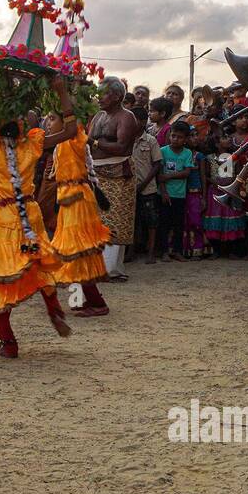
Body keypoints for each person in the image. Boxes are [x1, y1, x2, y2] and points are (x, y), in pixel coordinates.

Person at [0, 61, 77, 357]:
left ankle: (8, 343)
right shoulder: (32, 143)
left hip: (4, 218)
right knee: (36, 264)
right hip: (28, 214)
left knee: (0, 277)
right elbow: (71, 129)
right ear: (22, 121)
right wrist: (60, 92)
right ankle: (53, 307)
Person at [47, 77, 111, 317]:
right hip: (68, 198)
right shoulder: (59, 144)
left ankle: (96, 302)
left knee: (78, 250)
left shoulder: (74, 138)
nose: (47, 122)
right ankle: (85, 300)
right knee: (73, 252)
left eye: (52, 118)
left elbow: (73, 119)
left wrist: (63, 92)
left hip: (78, 198)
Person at [88, 77, 139, 280]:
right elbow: (88, 142)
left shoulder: (127, 117)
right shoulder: (99, 116)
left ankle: (112, 270)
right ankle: (98, 266)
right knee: (97, 220)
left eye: (104, 93)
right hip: (96, 173)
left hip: (119, 172)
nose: (99, 98)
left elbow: (121, 147)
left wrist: (95, 143)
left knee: (116, 220)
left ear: (117, 96)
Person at [132, 100, 165, 263]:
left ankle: (150, 252)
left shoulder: (151, 140)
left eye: (135, 120)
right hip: (130, 188)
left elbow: (157, 164)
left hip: (148, 188)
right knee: (132, 221)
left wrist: (144, 183)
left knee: (151, 222)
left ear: (143, 122)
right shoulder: (126, 139)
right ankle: (131, 252)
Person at [156, 121, 194, 260]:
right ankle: (164, 251)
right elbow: (159, 176)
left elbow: (187, 172)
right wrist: (164, 191)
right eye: (173, 136)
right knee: (164, 224)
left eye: (179, 137)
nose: (175, 139)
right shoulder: (163, 151)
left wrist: (169, 176)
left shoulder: (187, 153)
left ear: (185, 139)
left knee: (179, 224)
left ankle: (177, 251)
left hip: (180, 194)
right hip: (165, 194)